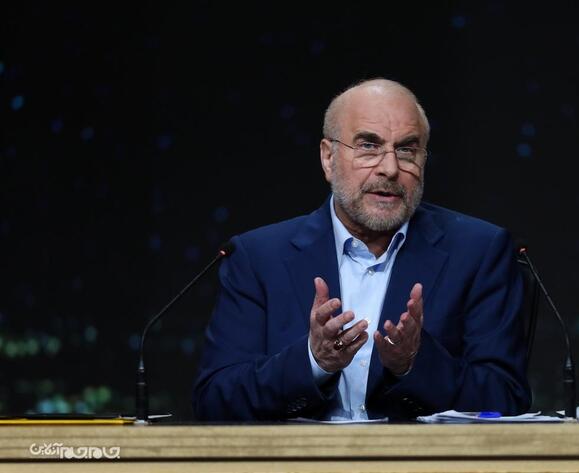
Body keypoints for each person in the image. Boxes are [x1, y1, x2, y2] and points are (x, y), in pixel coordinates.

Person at [193, 78, 531, 421]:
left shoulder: (478, 252)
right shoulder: (258, 257)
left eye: (407, 149)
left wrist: (414, 364)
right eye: (369, 146)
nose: (390, 168)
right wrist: (313, 362)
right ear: (328, 158)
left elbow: (505, 398)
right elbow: (216, 399)